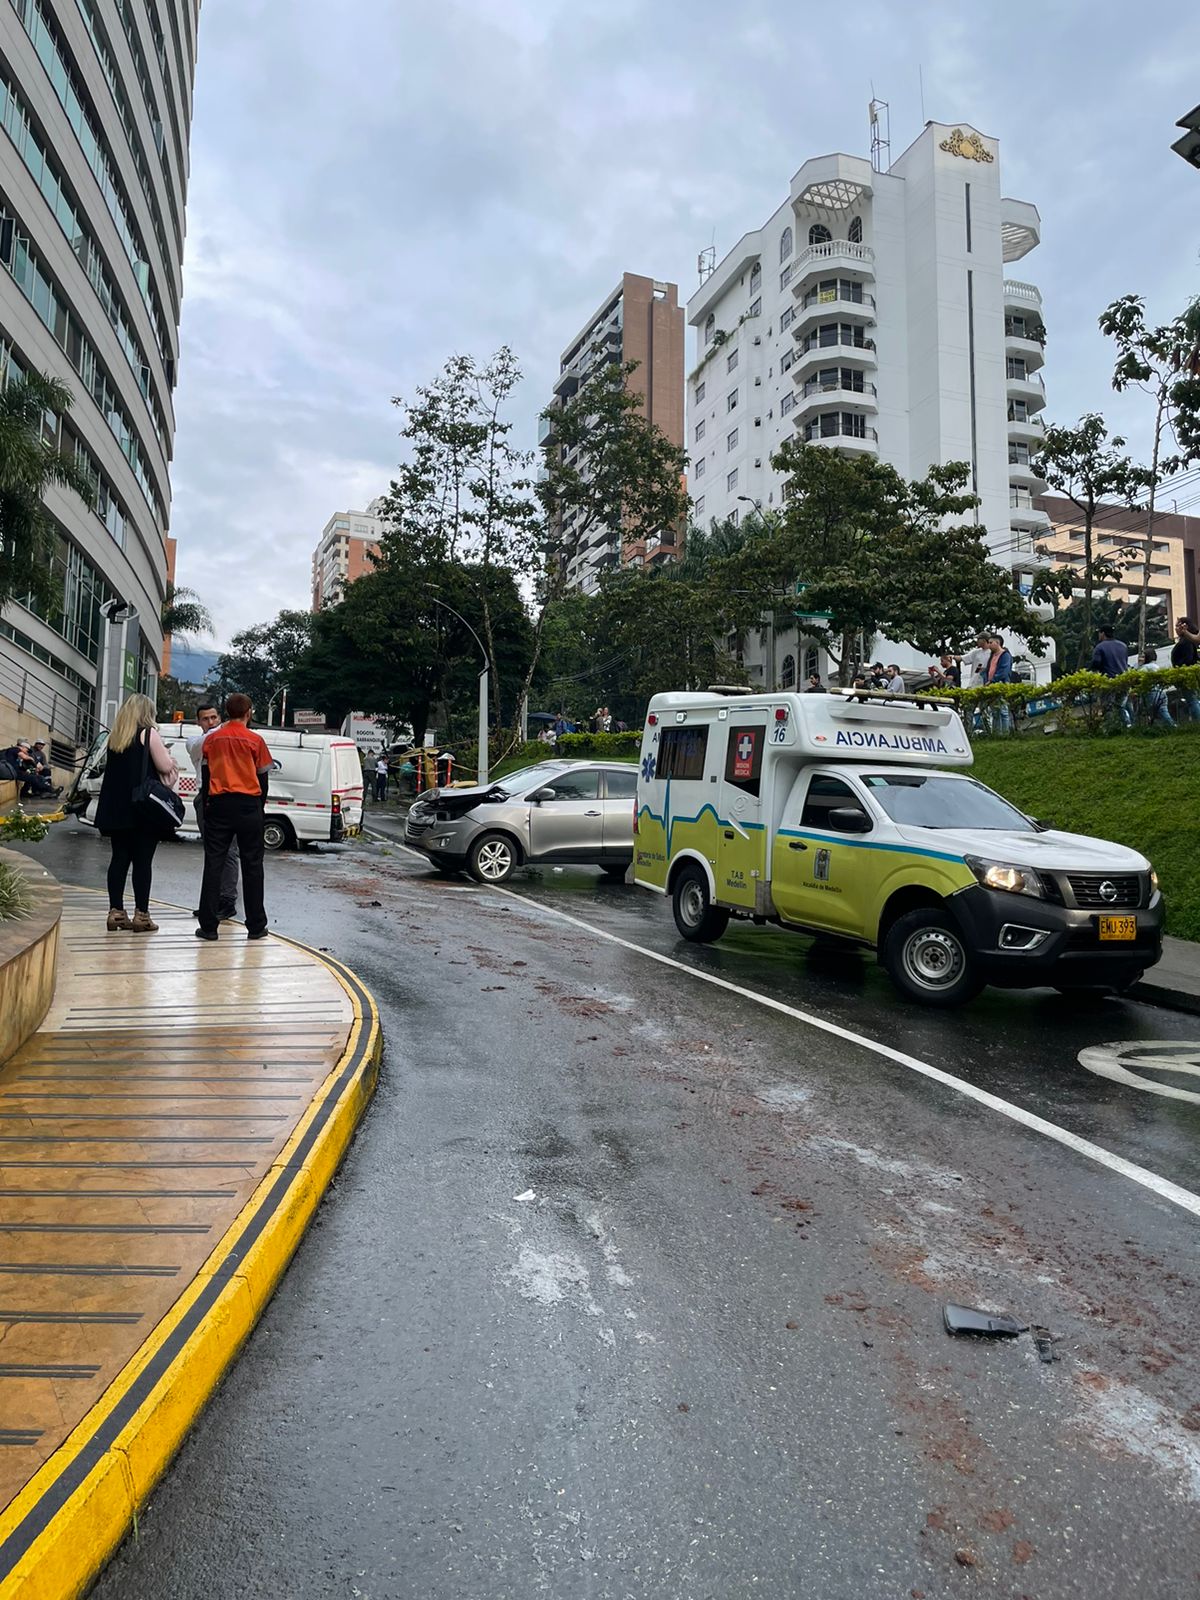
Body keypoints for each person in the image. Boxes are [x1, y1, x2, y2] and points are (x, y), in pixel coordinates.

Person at [93, 693, 179, 932]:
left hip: (116, 808)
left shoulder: (115, 737)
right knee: (143, 862)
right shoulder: (149, 734)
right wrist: (172, 761)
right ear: (146, 713)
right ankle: (142, 915)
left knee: (119, 859)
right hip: (142, 809)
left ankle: (116, 912)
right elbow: (164, 766)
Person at [195, 693, 272, 942]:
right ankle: (256, 924)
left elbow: (206, 776)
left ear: (226, 712)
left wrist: (208, 805)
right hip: (248, 805)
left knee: (214, 864)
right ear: (248, 712)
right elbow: (263, 779)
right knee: (252, 865)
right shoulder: (255, 741)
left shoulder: (213, 739)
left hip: (219, 804)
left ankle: (208, 926)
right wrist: (258, 806)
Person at [187, 702, 239, 923]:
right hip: (206, 796)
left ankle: (227, 900)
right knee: (213, 852)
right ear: (198, 722)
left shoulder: (225, 735)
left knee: (228, 852)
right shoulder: (195, 742)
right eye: (205, 719)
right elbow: (205, 741)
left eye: (214, 718)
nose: (211, 722)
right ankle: (212, 901)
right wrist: (227, 727)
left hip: (227, 796)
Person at [1171, 617, 1200, 722]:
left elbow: (1188, 658)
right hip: (1188, 673)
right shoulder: (1186, 640)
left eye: (1177, 626)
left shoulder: (1186, 642)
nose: (1175, 629)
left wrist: (1180, 668)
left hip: (1187, 674)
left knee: (1192, 700)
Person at [1138, 647, 1174, 727]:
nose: (1141, 658)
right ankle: (1170, 726)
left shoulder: (1144, 668)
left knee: (1152, 713)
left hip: (1151, 694)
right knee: (1163, 711)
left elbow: (1137, 679)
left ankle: (1171, 726)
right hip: (1161, 693)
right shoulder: (1156, 667)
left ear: (1147, 657)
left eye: (1143, 657)